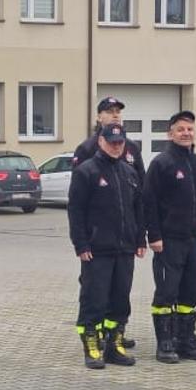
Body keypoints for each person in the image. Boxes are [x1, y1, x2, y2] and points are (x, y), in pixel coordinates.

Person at [68, 122, 146, 369]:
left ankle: (115, 345)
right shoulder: (86, 171)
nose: (115, 147)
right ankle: (92, 346)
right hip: (96, 249)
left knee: (120, 299)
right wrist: (81, 244)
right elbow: (76, 211)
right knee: (94, 298)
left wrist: (139, 239)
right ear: (100, 142)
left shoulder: (129, 172)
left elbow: (137, 209)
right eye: (111, 142)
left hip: (125, 248)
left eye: (119, 143)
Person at [142, 111, 196, 364]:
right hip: (169, 240)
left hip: (194, 240)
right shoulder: (162, 163)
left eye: (190, 129)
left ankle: (185, 340)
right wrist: (154, 235)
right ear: (170, 134)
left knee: (191, 290)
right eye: (180, 129)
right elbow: (149, 202)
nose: (186, 133)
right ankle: (165, 343)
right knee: (167, 291)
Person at [73, 95, 147, 176]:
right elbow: (79, 181)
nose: (115, 115)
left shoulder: (132, 147)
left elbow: (141, 180)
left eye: (118, 111)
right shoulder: (86, 148)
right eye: (110, 111)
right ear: (99, 117)